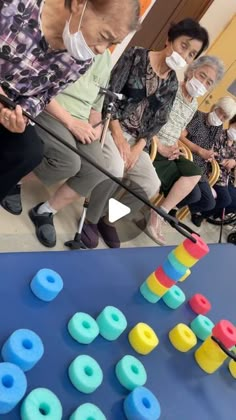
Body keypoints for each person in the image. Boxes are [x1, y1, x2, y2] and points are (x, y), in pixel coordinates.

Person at [77, 18, 210, 249]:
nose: (185, 55)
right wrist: (119, 139)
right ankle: (90, 218)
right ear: (169, 40)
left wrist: (137, 149)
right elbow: (110, 96)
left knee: (150, 183)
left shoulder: (171, 84)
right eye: (184, 46)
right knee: (116, 167)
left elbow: (156, 123)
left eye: (191, 54)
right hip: (110, 125)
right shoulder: (136, 56)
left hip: (137, 141)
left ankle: (108, 219)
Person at [0, 0, 140, 205]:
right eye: (104, 37)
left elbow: (43, 96)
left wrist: (19, 116)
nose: (102, 49)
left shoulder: (81, 59)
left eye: (112, 44)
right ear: (78, 4)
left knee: (29, 151)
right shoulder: (16, 6)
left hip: (10, 107)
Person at [146, 55, 225, 244]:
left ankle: (159, 213)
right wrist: (162, 145)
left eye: (208, 82)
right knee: (195, 192)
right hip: (152, 142)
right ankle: (154, 213)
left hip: (170, 149)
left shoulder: (194, 104)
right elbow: (147, 118)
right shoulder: (171, 88)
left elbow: (179, 130)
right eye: (201, 76)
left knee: (195, 173)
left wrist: (176, 146)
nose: (202, 83)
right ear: (191, 71)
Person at [180, 96, 236, 227]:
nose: (220, 118)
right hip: (189, 159)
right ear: (214, 107)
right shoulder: (198, 117)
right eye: (220, 112)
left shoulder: (217, 127)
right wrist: (199, 150)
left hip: (202, 167)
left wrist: (210, 155)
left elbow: (210, 148)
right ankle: (173, 208)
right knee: (197, 195)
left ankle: (182, 208)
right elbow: (180, 136)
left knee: (209, 202)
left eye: (224, 117)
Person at [201, 115, 236, 220]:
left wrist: (234, 162)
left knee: (234, 202)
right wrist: (224, 161)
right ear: (231, 122)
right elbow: (210, 153)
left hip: (226, 177)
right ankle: (201, 214)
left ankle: (211, 214)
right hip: (212, 171)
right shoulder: (219, 134)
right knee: (225, 200)